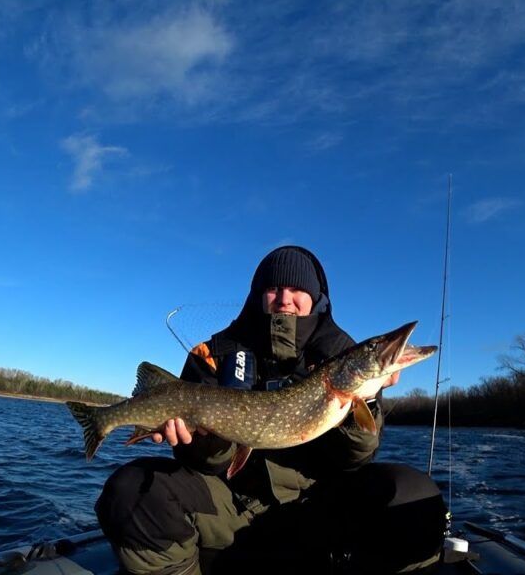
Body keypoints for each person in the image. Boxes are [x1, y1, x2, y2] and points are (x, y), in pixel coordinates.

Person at [95, 246, 447, 575]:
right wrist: (201, 442)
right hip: (227, 507)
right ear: (257, 296)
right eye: (273, 288)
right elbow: (204, 464)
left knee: (415, 493)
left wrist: (366, 400)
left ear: (316, 299)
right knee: (134, 491)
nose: (284, 300)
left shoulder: (340, 355)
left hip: (318, 508)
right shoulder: (212, 354)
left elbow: (354, 460)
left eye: (297, 290)